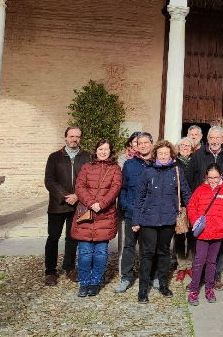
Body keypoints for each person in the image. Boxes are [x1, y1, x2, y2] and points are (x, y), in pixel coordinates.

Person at [132, 139, 192, 303]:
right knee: (147, 253)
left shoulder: (177, 171)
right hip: (148, 220)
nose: (164, 156)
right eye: (161, 153)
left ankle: (163, 284)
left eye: (166, 153)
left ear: (171, 154)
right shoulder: (148, 172)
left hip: (168, 219)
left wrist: (195, 214)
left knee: (164, 252)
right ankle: (143, 288)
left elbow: (186, 194)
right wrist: (136, 220)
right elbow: (140, 197)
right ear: (156, 154)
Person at [71, 139, 122, 297]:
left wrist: (102, 203)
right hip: (86, 214)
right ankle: (84, 283)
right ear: (96, 150)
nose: (103, 152)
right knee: (85, 253)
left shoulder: (115, 169)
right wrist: (91, 203)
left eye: (106, 149)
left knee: (100, 253)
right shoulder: (86, 167)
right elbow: (79, 187)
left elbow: (115, 188)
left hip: (105, 215)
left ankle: (95, 282)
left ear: (110, 151)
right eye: (100, 149)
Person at [186, 126, 223, 290]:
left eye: (218, 138)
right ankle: (197, 277)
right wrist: (197, 197)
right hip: (202, 209)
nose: (214, 141)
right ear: (207, 139)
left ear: (222, 140)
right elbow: (190, 178)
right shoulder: (198, 155)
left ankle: (215, 277)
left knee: (219, 246)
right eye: (212, 138)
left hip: (220, 209)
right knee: (199, 247)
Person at [43, 126, 91, 286]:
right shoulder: (54, 157)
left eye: (77, 136)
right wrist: (64, 196)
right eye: (71, 136)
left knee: (72, 238)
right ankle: (50, 271)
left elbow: (89, 181)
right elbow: (49, 180)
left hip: (77, 204)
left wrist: (77, 196)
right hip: (57, 205)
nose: (74, 139)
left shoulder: (87, 158)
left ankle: (69, 267)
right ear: (65, 138)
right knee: (53, 238)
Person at [186, 164, 223, 306]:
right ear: (206, 177)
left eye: (216, 177)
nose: (213, 180)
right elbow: (191, 206)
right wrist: (196, 220)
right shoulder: (200, 190)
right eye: (210, 178)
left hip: (218, 232)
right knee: (198, 261)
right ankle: (194, 290)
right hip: (203, 232)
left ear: (221, 176)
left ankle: (209, 288)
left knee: (212, 262)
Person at [114, 132, 154, 293]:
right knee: (129, 246)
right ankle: (126, 277)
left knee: (148, 248)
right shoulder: (130, 164)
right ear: (135, 145)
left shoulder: (157, 164)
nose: (143, 145)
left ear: (151, 144)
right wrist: (126, 205)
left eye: (146, 142)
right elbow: (123, 188)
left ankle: (148, 277)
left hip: (150, 215)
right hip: (132, 212)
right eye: (140, 143)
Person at [174, 137, 196, 282]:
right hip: (180, 204)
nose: (185, 147)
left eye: (188, 145)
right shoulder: (174, 163)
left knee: (192, 237)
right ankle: (181, 266)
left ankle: (190, 264)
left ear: (192, 148)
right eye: (182, 145)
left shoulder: (195, 161)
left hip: (194, 203)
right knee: (180, 236)